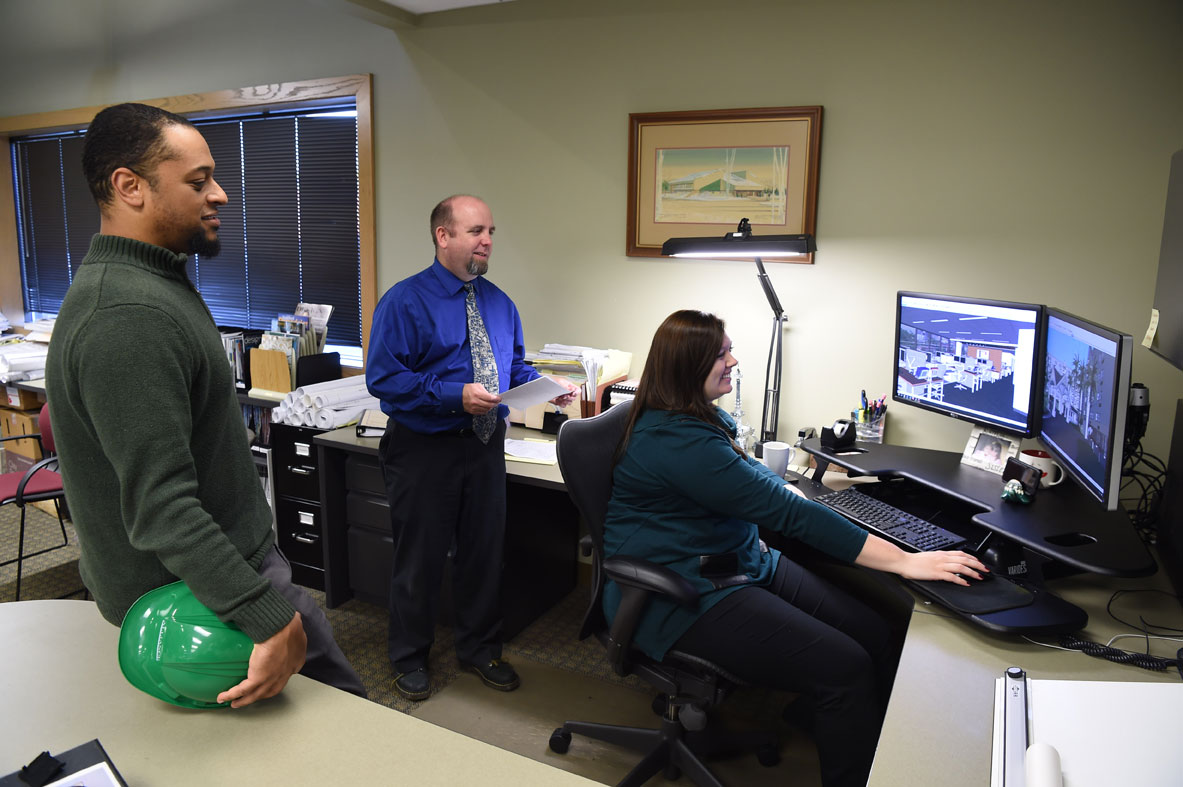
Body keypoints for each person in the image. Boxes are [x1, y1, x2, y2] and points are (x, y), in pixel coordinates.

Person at [45, 103, 365, 708]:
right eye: (198, 181)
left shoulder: (156, 283)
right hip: (199, 597)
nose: (219, 194)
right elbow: (160, 506)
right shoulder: (127, 315)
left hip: (220, 571)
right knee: (342, 728)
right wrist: (261, 612)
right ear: (128, 186)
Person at [603, 310, 987, 787]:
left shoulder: (695, 416)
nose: (734, 360)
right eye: (722, 354)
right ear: (689, 366)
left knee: (875, 634)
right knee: (846, 668)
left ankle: (832, 719)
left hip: (739, 560)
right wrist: (908, 561)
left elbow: (752, 477)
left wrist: (787, 492)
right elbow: (793, 517)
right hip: (681, 595)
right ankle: (843, 731)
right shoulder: (676, 441)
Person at [366, 195, 577, 701]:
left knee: (483, 554)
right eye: (476, 231)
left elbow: (513, 368)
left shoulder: (499, 302)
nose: (487, 241)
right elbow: (385, 378)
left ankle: (480, 649)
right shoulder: (405, 301)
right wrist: (452, 395)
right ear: (444, 236)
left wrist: (546, 385)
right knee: (420, 559)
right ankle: (409, 657)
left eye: (491, 232)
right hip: (425, 449)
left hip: (484, 448)